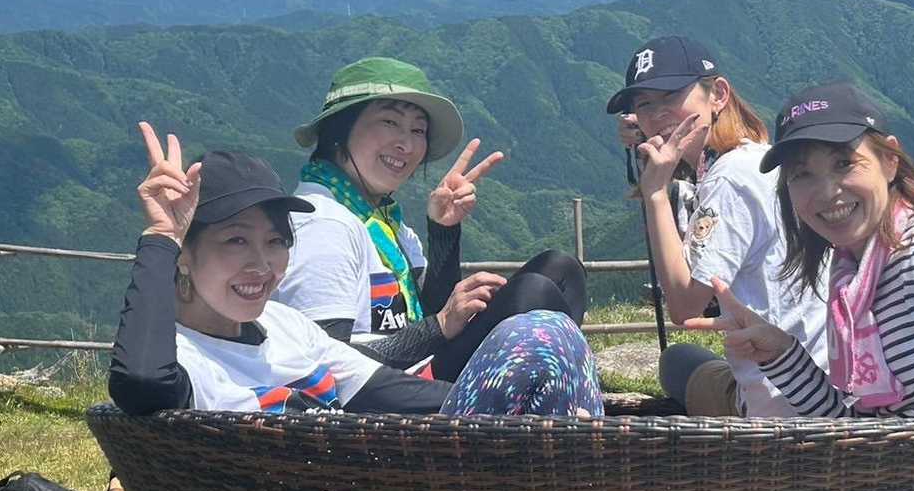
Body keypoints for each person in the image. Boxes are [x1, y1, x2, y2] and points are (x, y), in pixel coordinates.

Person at [109, 123, 603, 418]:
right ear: (185, 254)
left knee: (545, 334)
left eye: (276, 241)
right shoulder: (187, 360)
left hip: (383, 485)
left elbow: (381, 387)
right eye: (235, 240)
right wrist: (161, 237)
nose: (261, 263)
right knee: (538, 332)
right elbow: (142, 384)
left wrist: (516, 408)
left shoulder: (283, 325)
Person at [685, 83, 914, 420]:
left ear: (889, 160)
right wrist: (781, 353)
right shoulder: (850, 274)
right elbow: (855, 421)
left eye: (844, 164)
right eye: (802, 174)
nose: (826, 192)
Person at [273, 56, 586, 383]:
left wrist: (443, 230)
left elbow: (436, 312)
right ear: (339, 129)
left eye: (417, 130)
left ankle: (556, 394)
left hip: (418, 369)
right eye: (390, 122)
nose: (406, 144)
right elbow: (322, 366)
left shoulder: (381, 219)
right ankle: (564, 397)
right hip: (381, 394)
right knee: (533, 294)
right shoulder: (323, 224)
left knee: (561, 269)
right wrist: (438, 326)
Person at [606, 36, 827, 416]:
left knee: (675, 361)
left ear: (718, 94)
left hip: (777, 401)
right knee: (684, 360)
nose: (657, 114)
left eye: (671, 95)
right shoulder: (756, 160)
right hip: (823, 378)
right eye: (644, 104)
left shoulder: (728, 180)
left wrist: (655, 192)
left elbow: (686, 307)